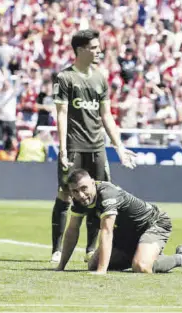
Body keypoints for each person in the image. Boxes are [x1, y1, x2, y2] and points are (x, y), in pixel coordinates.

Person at [51, 29, 137, 264]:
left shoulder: (100, 78)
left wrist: (118, 147)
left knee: (96, 195)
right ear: (80, 50)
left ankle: (91, 248)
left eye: (99, 48)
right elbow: (61, 113)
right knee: (66, 194)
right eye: (94, 48)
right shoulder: (65, 78)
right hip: (74, 146)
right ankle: (57, 250)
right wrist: (63, 148)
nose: (99, 51)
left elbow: (107, 115)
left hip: (97, 147)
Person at [56, 169, 182, 274]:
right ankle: (144, 254)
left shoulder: (108, 195)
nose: (81, 195)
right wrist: (61, 267)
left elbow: (107, 232)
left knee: (141, 266)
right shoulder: (78, 201)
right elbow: (72, 231)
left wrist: (102, 271)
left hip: (153, 224)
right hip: (125, 234)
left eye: (84, 188)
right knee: (93, 265)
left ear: (93, 183)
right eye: (75, 191)